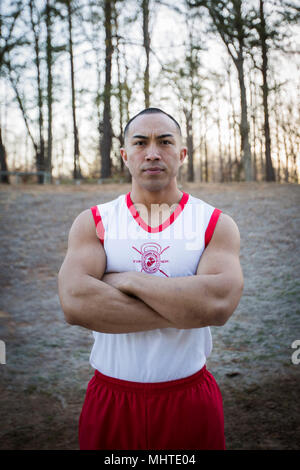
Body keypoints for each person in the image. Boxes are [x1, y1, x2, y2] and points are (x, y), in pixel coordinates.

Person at [58, 107, 244, 450]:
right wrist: (186, 308)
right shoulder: (95, 221)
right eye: (141, 142)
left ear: (182, 154)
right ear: (125, 155)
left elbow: (217, 305)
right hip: (111, 399)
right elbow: (75, 303)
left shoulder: (213, 223)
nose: (153, 153)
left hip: (188, 400)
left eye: (165, 142)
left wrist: (129, 280)